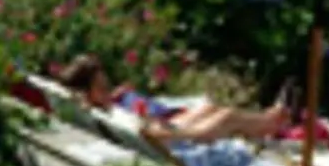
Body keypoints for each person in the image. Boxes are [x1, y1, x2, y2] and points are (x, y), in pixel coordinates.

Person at [50, 55, 297, 144]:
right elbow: (151, 132)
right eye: (102, 86)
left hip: (169, 122)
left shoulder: (105, 105)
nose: (107, 88)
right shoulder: (111, 114)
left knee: (212, 107)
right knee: (225, 116)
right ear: (88, 91)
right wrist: (187, 136)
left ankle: (271, 119)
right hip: (176, 133)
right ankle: (272, 120)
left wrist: (113, 97)